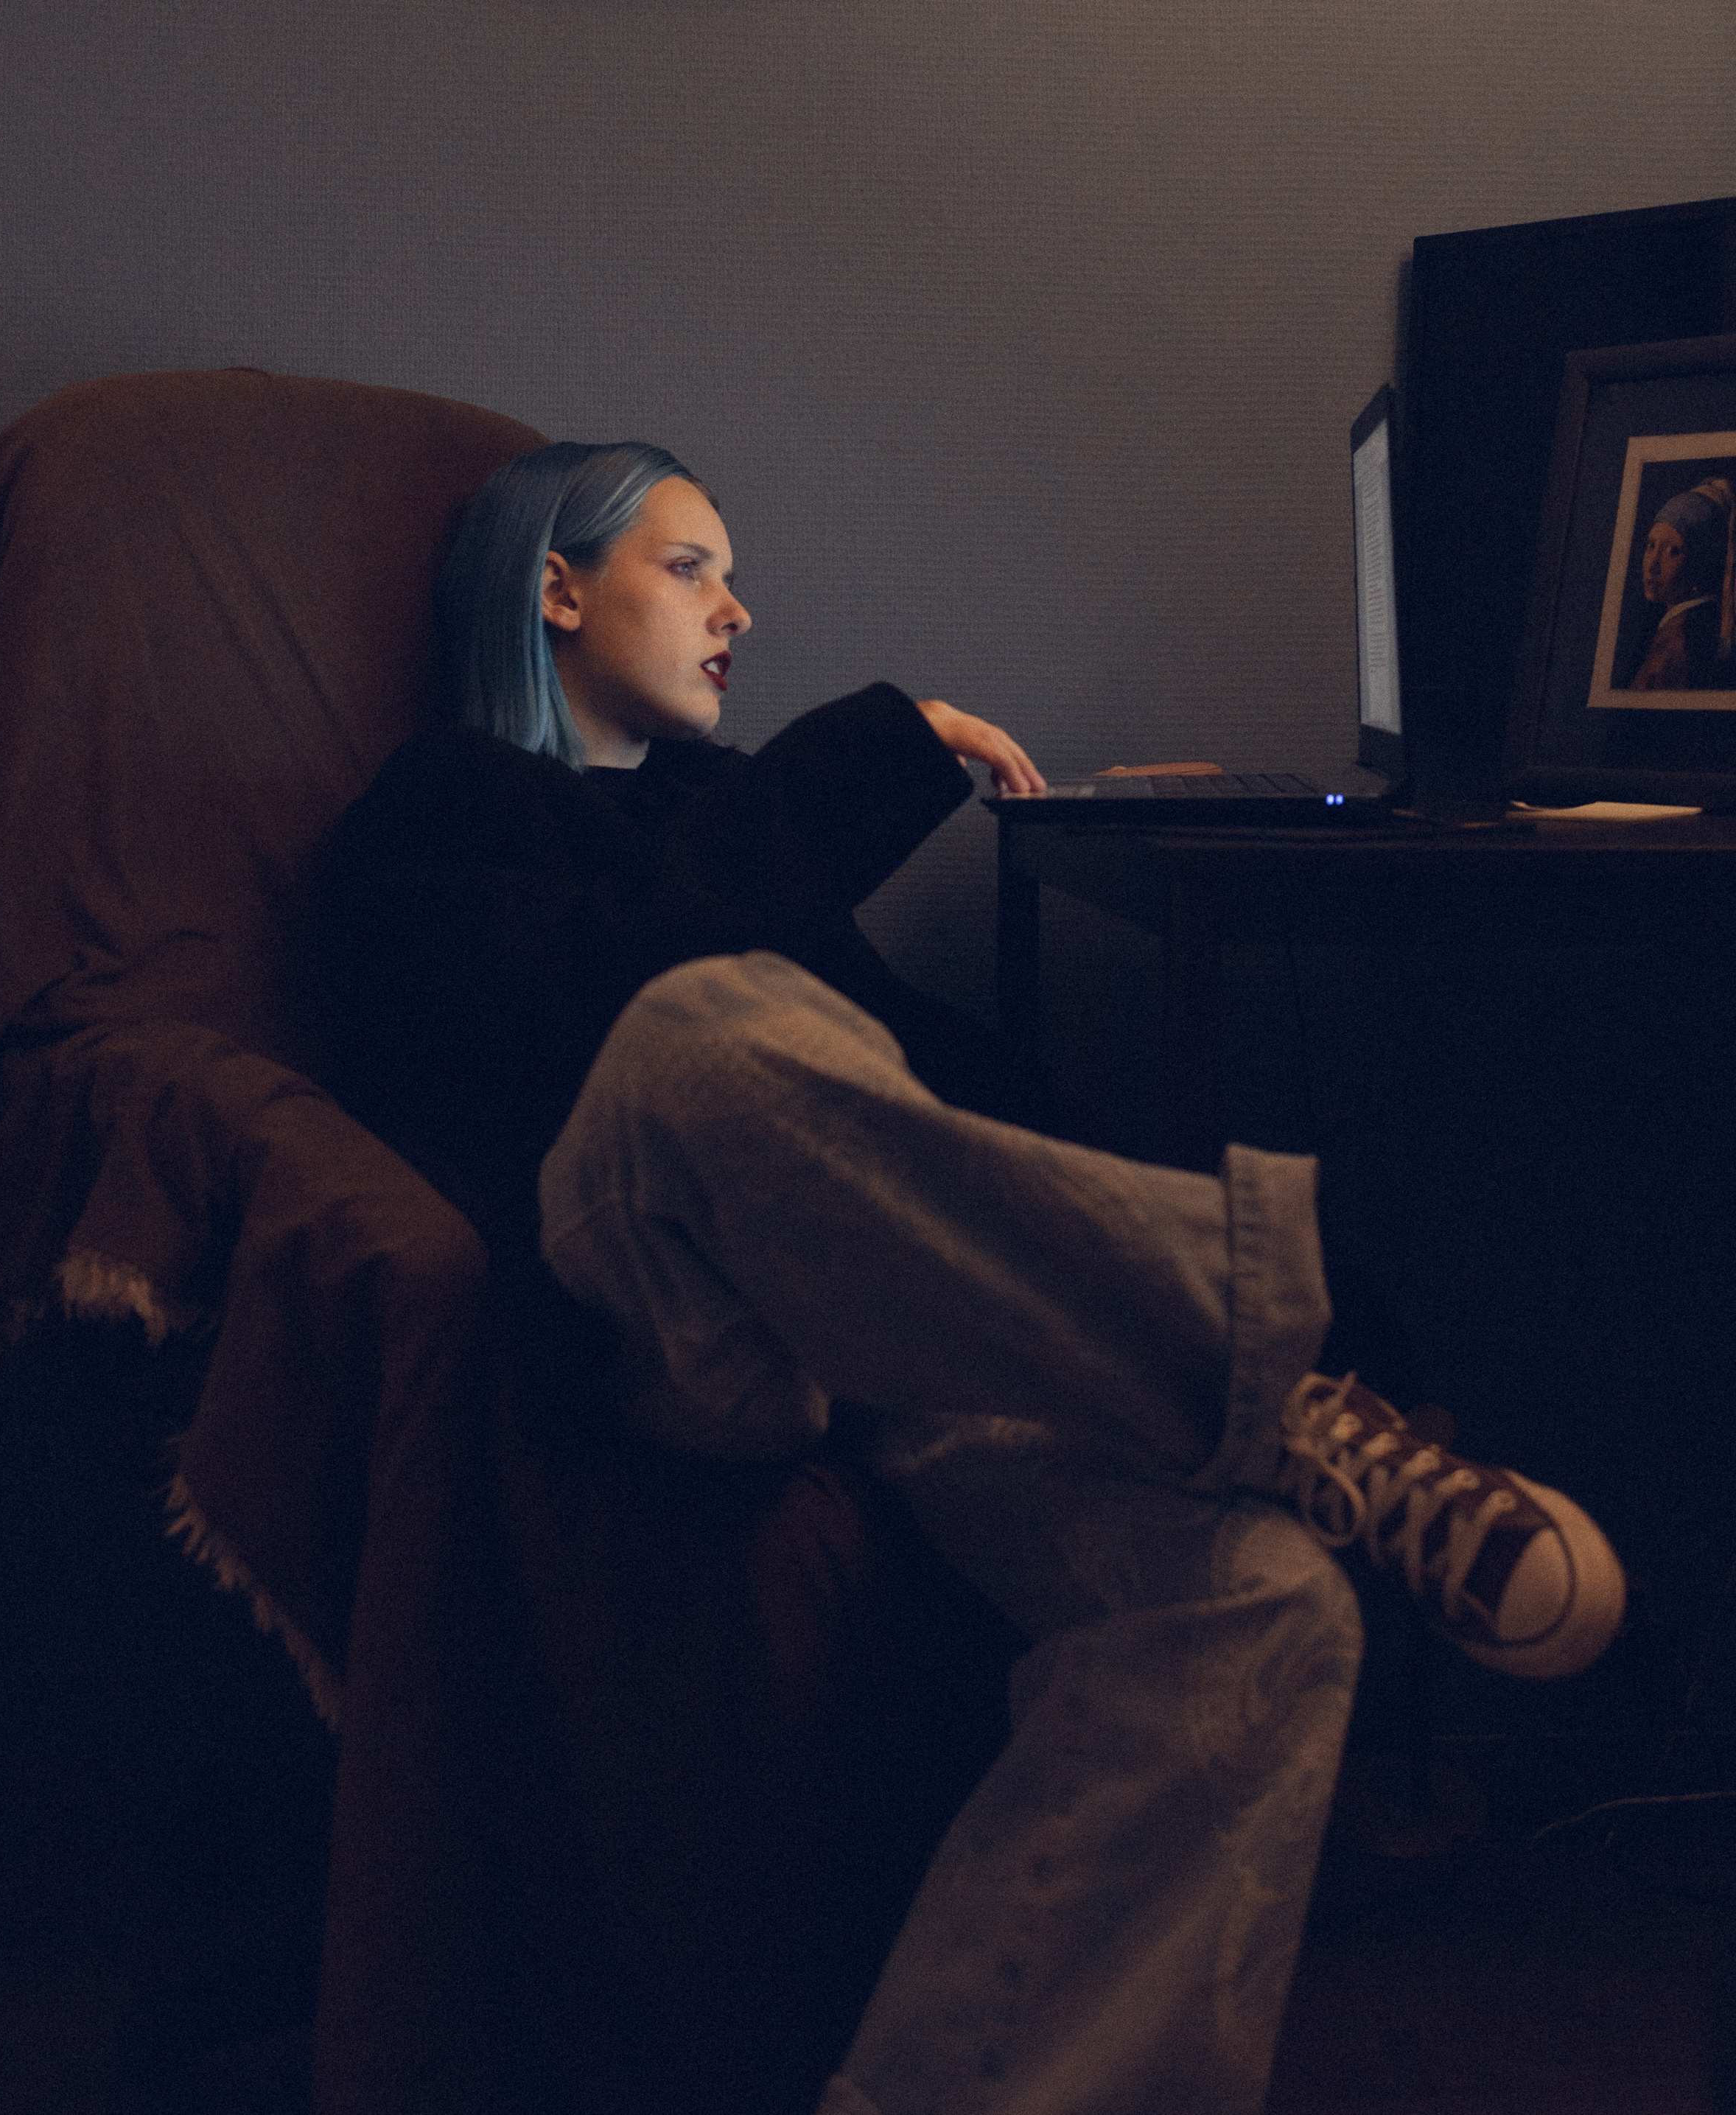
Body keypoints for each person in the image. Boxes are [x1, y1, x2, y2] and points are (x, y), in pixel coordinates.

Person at [312, 441, 1625, 2115]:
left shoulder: (720, 823)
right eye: (690, 567)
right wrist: (870, 750)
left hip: (905, 1351)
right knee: (717, 1026)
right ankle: (1266, 1391)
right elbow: (595, 1002)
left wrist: (1346, 1298)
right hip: (662, 1320)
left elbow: (944, 1117)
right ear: (555, 588)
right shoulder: (441, 810)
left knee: (1256, 1607)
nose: (738, 611)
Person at [1627, 475, 1736, 692]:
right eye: (1651, 545)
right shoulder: (1677, 626)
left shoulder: (1679, 641)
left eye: (1673, 551)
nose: (1653, 565)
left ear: (1701, 564)